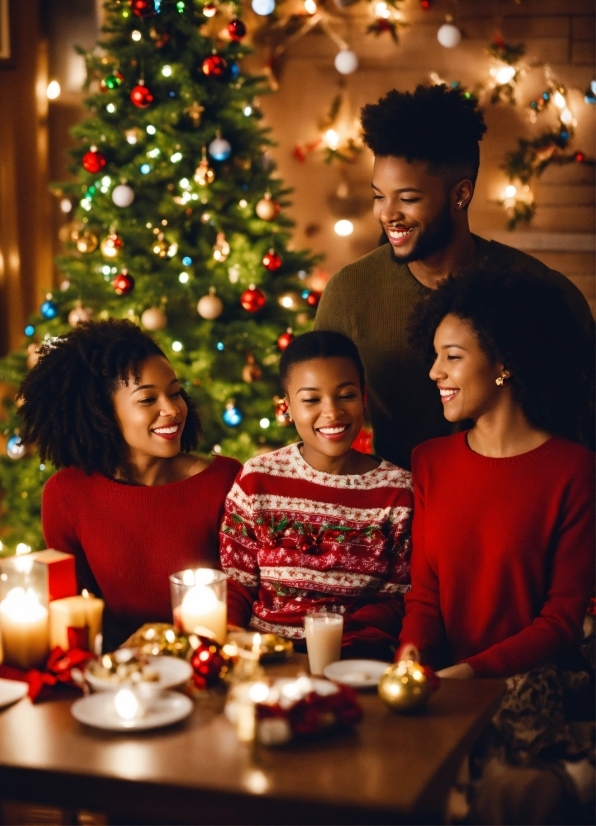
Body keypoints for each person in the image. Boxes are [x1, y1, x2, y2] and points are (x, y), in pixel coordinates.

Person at [398, 269, 594, 820]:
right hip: (439, 686)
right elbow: (424, 595)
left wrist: (466, 676)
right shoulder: (430, 461)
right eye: (435, 355)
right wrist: (413, 658)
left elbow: (560, 621)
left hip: (529, 689)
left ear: (505, 362)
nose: (434, 371)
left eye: (452, 356)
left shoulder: (574, 472)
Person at [314, 84, 594, 469]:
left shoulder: (541, 291)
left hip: (520, 506)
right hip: (399, 509)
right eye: (379, 195)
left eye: (408, 199)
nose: (387, 214)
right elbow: (318, 412)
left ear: (461, 193)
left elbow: (584, 422)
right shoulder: (350, 292)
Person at [18, 319, 241, 649]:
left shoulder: (224, 481)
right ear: (104, 413)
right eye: (147, 400)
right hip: (120, 676)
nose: (172, 409)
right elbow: (74, 614)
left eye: (175, 393)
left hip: (212, 663)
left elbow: (244, 598)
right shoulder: (66, 494)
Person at [220, 331, 412, 660]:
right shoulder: (257, 479)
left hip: (353, 660)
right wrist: (232, 636)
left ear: (364, 397)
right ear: (287, 407)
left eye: (346, 395)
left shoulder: (397, 492)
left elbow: (398, 597)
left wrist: (346, 640)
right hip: (266, 655)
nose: (332, 412)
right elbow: (235, 583)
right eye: (311, 400)